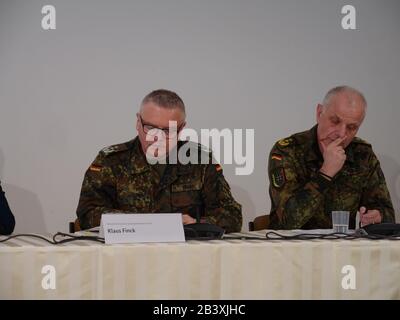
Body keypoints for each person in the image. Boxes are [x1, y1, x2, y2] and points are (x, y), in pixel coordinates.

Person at [76, 89, 242, 233]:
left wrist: (198, 224)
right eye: (150, 128)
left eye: (169, 130)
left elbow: (232, 215)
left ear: (182, 128)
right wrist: (145, 224)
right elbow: (87, 214)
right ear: (138, 122)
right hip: (126, 257)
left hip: (186, 258)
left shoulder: (200, 161)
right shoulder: (111, 161)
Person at [268, 85, 395, 230]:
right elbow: (287, 221)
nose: (341, 133)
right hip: (292, 249)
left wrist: (378, 216)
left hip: (343, 249)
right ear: (319, 113)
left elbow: (388, 214)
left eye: (351, 127)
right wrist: (325, 173)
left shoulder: (362, 154)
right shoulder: (287, 151)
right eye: (335, 121)